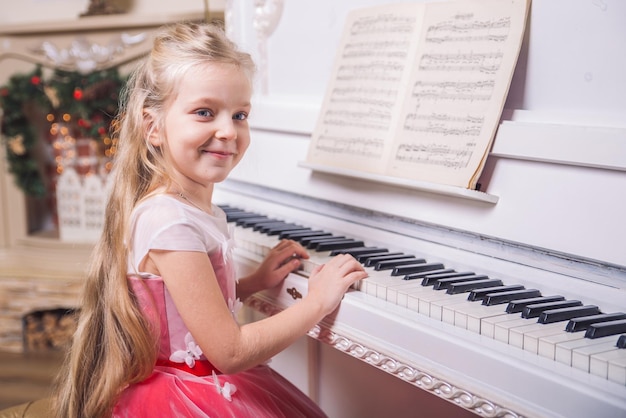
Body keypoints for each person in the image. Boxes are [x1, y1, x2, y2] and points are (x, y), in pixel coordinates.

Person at [53, 22, 368, 418]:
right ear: (153, 128)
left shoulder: (187, 208)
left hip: (203, 382)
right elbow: (230, 352)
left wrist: (252, 284)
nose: (227, 130)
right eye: (204, 112)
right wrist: (318, 301)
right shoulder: (169, 219)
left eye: (240, 114)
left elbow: (182, 303)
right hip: (186, 396)